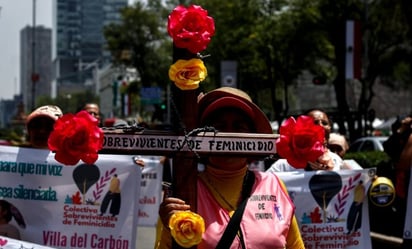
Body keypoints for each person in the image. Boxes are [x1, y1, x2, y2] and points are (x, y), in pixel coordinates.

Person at [155, 87, 304, 249]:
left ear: (254, 136)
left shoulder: (274, 185)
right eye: (219, 127)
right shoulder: (185, 192)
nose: (229, 134)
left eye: (239, 127)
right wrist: (169, 228)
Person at [267, 109, 351, 172]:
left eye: (324, 123)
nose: (320, 126)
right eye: (315, 123)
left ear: (330, 128)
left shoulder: (337, 161)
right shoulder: (282, 166)